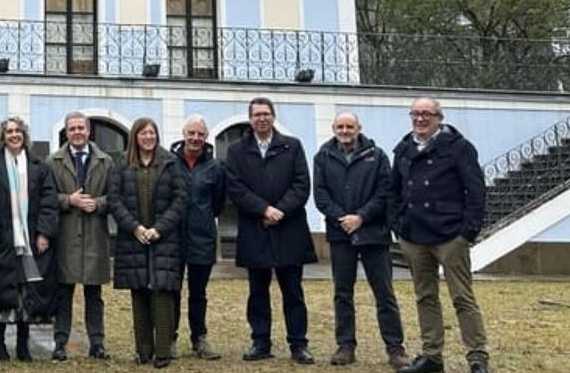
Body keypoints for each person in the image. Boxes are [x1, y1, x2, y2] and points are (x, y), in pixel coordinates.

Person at [391, 98, 489, 373]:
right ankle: (432, 357)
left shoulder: (458, 148)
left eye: (427, 114)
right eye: (416, 114)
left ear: (439, 118)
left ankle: (477, 358)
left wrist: (467, 232)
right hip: (414, 236)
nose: (420, 119)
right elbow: (394, 190)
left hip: (450, 236)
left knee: (463, 298)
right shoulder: (403, 149)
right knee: (425, 297)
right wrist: (397, 224)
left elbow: (476, 191)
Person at [313, 112, 409, 369]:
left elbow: (385, 192)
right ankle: (345, 346)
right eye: (340, 126)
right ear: (334, 129)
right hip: (340, 233)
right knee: (342, 293)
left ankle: (395, 348)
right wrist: (341, 218)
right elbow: (320, 195)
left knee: (384, 293)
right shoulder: (322, 157)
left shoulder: (377, 156)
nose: (345, 131)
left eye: (349, 126)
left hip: (374, 234)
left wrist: (361, 217)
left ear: (359, 128)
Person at [225, 97, 317, 365]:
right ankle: (261, 341)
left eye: (266, 114)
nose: (261, 119)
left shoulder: (292, 146)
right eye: (256, 115)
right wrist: (264, 210)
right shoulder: (237, 150)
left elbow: (302, 184)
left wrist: (280, 211)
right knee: (257, 292)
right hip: (255, 229)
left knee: (293, 292)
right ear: (250, 118)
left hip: (289, 229)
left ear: (273, 117)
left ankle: (299, 344)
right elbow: (236, 188)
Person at [108, 117, 187, 368]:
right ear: (135, 137)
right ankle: (143, 350)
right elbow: (114, 199)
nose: (148, 137)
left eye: (152, 133)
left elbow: (180, 200)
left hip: (163, 238)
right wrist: (135, 228)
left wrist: (158, 229)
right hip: (134, 238)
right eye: (143, 133)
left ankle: (163, 351)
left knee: (162, 292)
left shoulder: (170, 163)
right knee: (139, 292)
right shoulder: (121, 164)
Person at [0, 116, 58, 362]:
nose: (14, 135)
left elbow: (49, 202)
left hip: (31, 239)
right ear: (2, 137)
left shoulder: (39, 166)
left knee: (27, 291)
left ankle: (23, 344)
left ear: (24, 135)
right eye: (9, 131)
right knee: (1, 290)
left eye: (18, 131)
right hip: (3, 238)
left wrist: (44, 233)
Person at [47, 111, 113, 361]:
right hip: (65, 236)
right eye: (72, 128)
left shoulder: (105, 161)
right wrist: (68, 200)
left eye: (81, 128)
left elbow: (116, 196)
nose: (77, 132)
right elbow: (45, 197)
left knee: (94, 294)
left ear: (88, 131)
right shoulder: (53, 161)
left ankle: (97, 343)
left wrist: (97, 204)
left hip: (95, 235)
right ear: (66, 132)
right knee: (63, 293)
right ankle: (60, 342)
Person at [168, 115, 226, 360]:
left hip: (202, 238)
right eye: (191, 133)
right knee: (171, 290)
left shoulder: (215, 167)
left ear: (206, 136)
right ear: (183, 134)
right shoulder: (169, 163)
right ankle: (169, 337)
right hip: (173, 237)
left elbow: (218, 204)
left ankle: (199, 338)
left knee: (198, 292)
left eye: (200, 134)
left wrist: (201, 218)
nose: (195, 138)